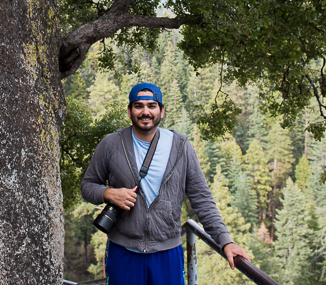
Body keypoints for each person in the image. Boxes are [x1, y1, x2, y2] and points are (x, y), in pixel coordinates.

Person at [81, 82, 251, 284]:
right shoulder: (111, 144)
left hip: (167, 253)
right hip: (123, 251)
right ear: (129, 111)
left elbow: (202, 200)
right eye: (139, 106)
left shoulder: (180, 147)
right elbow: (88, 186)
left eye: (152, 106)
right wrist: (109, 193)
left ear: (161, 111)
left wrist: (226, 241)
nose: (145, 111)